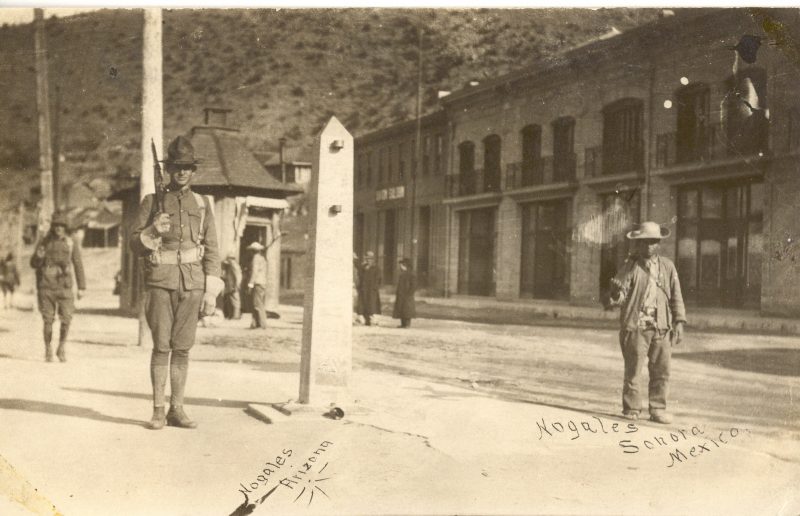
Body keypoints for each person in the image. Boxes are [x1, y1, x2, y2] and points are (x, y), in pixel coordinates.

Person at [130, 135, 223, 430]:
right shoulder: (151, 201)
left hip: (193, 284)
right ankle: (158, 410)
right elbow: (134, 243)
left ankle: (177, 409)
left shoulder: (202, 204)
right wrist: (152, 230)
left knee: (182, 349)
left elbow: (212, 248)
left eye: (187, 167)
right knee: (161, 347)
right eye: (177, 167)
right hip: (160, 281)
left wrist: (211, 291)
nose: (182, 172)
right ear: (169, 169)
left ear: (194, 170)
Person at [608, 221, 687, 425]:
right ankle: (632, 408)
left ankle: (658, 408)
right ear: (638, 244)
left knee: (661, 370)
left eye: (653, 242)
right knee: (633, 369)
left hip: (661, 326)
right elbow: (619, 296)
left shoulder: (668, 266)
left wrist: (679, 321)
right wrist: (616, 292)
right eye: (645, 242)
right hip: (636, 326)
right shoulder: (630, 266)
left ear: (658, 244)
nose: (649, 246)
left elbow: (676, 295)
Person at [30, 212, 86, 362]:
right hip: (46, 286)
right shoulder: (44, 241)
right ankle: (48, 349)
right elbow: (33, 264)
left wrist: (82, 287)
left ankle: (61, 347)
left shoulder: (71, 242)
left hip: (65, 286)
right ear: (52, 227)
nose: (58, 228)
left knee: (67, 318)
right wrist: (39, 257)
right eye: (56, 225)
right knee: (48, 320)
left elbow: (78, 263)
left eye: (61, 226)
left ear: (65, 227)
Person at [246, 241, 268, 329]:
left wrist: (250, 284)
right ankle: (255, 323)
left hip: (257, 283)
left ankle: (262, 324)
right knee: (258, 303)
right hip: (263, 282)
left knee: (257, 304)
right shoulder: (262, 258)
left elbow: (255, 272)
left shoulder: (255, 258)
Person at [357, 251, 381, 326]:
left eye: (370, 259)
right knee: (363, 304)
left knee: (371, 305)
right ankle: (366, 320)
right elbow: (360, 276)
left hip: (371, 290)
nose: (368, 260)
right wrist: (363, 268)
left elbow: (379, 279)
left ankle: (372, 321)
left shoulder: (376, 268)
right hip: (364, 289)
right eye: (367, 259)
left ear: (373, 259)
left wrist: (375, 287)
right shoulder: (363, 267)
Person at [393, 257, 416, 328]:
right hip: (401, 294)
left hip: (407, 294)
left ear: (405, 265)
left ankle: (407, 324)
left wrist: (409, 293)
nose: (400, 266)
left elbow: (414, 285)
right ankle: (403, 323)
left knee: (407, 309)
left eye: (402, 265)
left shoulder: (411, 274)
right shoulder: (402, 274)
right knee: (401, 308)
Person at [222, 252, 242, 320]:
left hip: (233, 285)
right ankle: (232, 315)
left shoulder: (234, 265)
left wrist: (237, 285)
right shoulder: (230, 265)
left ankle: (236, 316)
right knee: (231, 300)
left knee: (236, 301)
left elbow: (238, 276)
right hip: (230, 285)